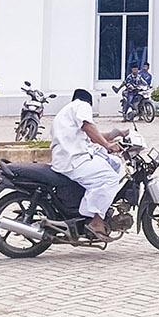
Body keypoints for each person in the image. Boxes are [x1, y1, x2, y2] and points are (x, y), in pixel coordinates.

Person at [50, 88, 127, 240]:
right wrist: (107, 145)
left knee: (114, 162)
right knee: (110, 178)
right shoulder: (82, 105)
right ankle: (96, 221)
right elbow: (88, 126)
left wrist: (116, 135)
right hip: (74, 160)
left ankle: (101, 207)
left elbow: (92, 135)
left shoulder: (67, 112)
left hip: (69, 158)